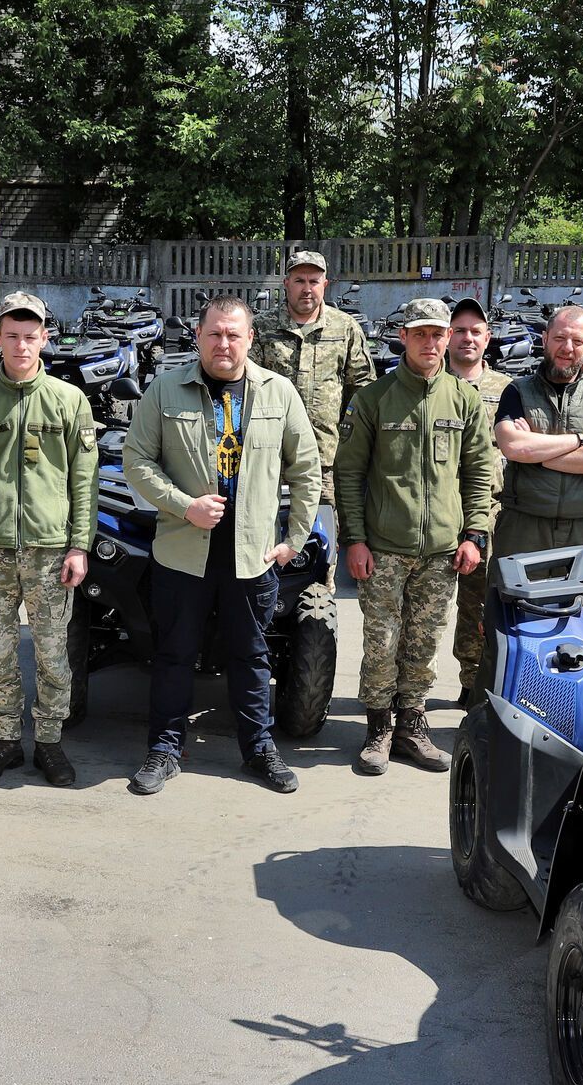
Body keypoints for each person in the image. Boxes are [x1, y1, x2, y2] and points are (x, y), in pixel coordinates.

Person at [122, 294, 321, 796]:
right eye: (214, 333)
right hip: (183, 552)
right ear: (198, 336)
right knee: (173, 654)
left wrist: (293, 538)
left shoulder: (279, 394)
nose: (224, 343)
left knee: (251, 656)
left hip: (252, 555)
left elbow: (306, 470)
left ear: (251, 338)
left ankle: (259, 749)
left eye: (234, 334)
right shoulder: (166, 390)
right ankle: (165, 750)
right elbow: (137, 461)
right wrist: (183, 504)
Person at [335, 298, 495, 775]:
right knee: (382, 641)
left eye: (438, 334)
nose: (430, 342)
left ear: (448, 339)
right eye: (420, 333)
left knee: (424, 642)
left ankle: (412, 725)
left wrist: (475, 534)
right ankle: (379, 727)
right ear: (403, 337)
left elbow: (480, 471)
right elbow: (348, 473)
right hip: (384, 548)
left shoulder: (464, 399)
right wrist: (354, 540)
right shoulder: (373, 399)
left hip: (443, 552)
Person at [0, 292, 97, 786]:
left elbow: (83, 480)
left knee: (54, 651)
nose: (21, 345)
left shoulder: (69, 400)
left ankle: (49, 742)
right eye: (11, 335)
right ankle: (7, 739)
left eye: (30, 336)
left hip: (51, 550)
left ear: (45, 339)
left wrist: (79, 544)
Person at [489, 306, 583, 557]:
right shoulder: (517, 390)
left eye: (577, 341)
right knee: (512, 596)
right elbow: (513, 447)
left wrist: (535, 452)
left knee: (582, 598)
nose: (568, 348)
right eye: (560, 338)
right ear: (545, 339)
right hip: (523, 526)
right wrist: (579, 441)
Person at [248, 249, 374, 514]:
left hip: (324, 460)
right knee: (266, 529)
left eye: (313, 281)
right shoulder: (261, 327)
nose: (307, 289)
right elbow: (247, 386)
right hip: (270, 457)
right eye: (299, 281)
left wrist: (350, 440)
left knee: (322, 535)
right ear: (286, 284)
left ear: (325, 285)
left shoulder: (345, 327)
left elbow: (363, 390)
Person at [446, 296, 512, 702]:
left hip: (487, 509)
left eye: (475, 331)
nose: (467, 338)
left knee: (479, 598)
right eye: (459, 330)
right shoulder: (432, 381)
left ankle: (471, 680)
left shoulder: (506, 389)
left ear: (487, 338)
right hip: (436, 506)